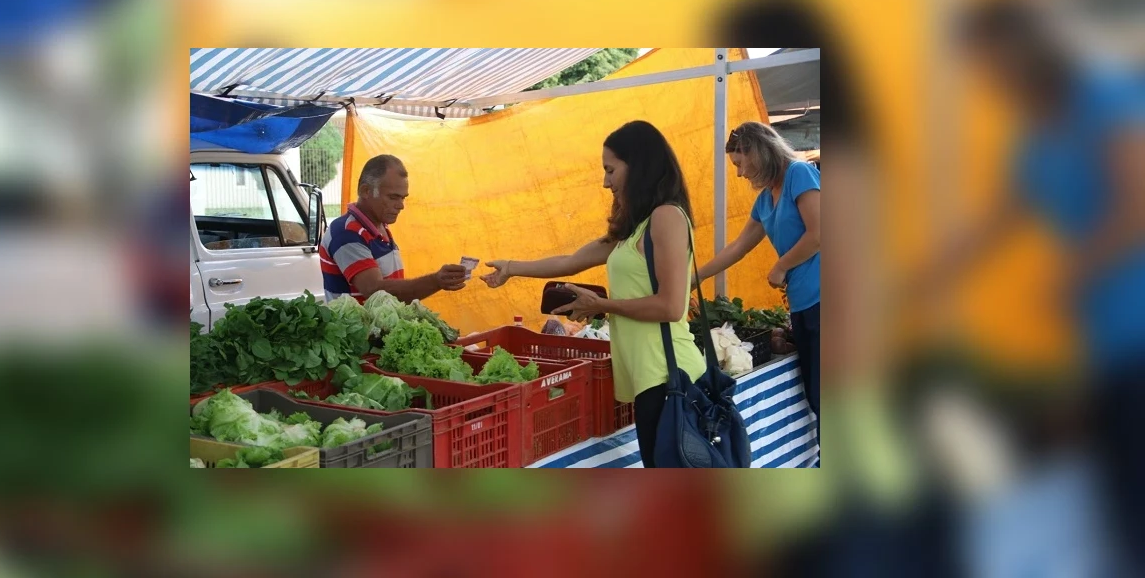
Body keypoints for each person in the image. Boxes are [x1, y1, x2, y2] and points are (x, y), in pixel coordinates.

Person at [922, 0, 1145, 574]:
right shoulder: (1034, 136)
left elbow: (1137, 205)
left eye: (988, 61)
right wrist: (924, 279)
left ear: (1024, 47)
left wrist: (1072, 272)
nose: (985, 77)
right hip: (1107, 352)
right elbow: (996, 223)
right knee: (1121, 509)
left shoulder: (1104, 96)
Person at [481, 121, 706, 468]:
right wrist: (511, 267)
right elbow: (571, 261)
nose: (606, 181)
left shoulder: (667, 218)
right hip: (650, 379)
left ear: (639, 165)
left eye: (610, 170)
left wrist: (601, 305)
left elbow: (671, 305)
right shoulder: (636, 227)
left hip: (670, 374)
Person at [696, 121, 821, 422]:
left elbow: (819, 233)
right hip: (803, 305)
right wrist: (695, 278)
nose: (740, 173)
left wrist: (780, 266)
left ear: (758, 151)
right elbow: (738, 247)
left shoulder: (798, 173)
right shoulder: (765, 198)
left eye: (740, 163)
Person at [320, 154, 467, 303]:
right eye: (393, 197)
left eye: (403, 198)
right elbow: (374, 290)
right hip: (359, 327)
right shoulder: (346, 233)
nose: (401, 205)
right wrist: (436, 281)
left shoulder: (379, 225)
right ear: (366, 191)